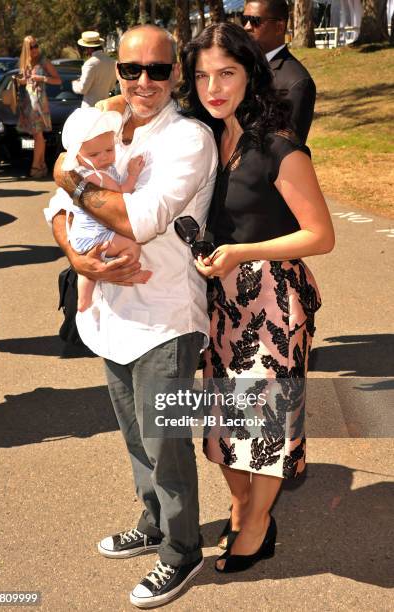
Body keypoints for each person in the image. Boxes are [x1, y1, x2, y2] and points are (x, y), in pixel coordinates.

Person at [47, 24, 217, 608]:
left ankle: (181, 550)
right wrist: (75, 256)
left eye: (159, 69)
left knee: (165, 442)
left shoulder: (189, 138)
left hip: (167, 314)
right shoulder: (108, 128)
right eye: (131, 69)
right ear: (116, 70)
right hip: (111, 316)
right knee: (135, 438)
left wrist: (69, 175)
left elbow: (140, 218)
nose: (144, 81)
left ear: (177, 73)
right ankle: (153, 524)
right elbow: (57, 210)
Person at [179, 22, 334, 573]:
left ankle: (258, 524)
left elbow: (321, 235)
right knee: (224, 420)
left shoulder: (278, 143)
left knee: (264, 422)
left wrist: (243, 254)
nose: (213, 87)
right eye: (201, 76)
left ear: (252, 73)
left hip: (272, 300)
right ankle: (245, 504)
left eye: (226, 73)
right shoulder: (204, 138)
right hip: (219, 304)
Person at [46, 106, 150, 312]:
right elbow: (121, 195)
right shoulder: (96, 176)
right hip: (96, 235)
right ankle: (127, 272)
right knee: (131, 244)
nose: (104, 157)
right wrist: (133, 174)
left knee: (87, 271)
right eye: (94, 154)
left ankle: (83, 300)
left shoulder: (90, 170)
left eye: (109, 150)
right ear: (78, 155)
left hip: (83, 235)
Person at [243, 0, 316, 144]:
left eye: (254, 21)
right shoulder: (241, 68)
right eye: (244, 19)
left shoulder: (297, 82)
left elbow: (285, 147)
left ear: (279, 27)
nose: (246, 27)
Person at [16, 35, 61, 178]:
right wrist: (21, 81)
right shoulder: (25, 63)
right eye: (31, 47)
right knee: (37, 135)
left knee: (38, 135)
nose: (35, 49)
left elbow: (57, 80)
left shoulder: (44, 62)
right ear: (26, 49)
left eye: (36, 46)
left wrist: (42, 78)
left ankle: (36, 166)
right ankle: (41, 166)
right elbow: (24, 82)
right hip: (28, 102)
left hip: (39, 102)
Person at [72, 31, 117, 108]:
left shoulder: (90, 63)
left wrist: (74, 83)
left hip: (90, 108)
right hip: (105, 107)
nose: (85, 50)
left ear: (89, 48)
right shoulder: (112, 62)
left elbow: (83, 89)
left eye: (85, 48)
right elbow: (112, 87)